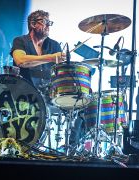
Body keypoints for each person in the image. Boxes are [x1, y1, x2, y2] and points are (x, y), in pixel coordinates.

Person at [10, 10, 84, 149]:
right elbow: (20, 60)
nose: (48, 26)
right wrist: (50, 57)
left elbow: (61, 73)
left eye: (50, 23)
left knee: (80, 106)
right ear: (32, 24)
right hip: (24, 94)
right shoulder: (20, 41)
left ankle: (71, 148)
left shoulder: (54, 45)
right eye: (44, 22)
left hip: (48, 95)